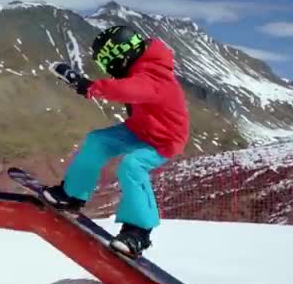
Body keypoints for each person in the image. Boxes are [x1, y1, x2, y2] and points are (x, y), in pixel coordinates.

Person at [45, 25, 190, 257]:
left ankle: (138, 232)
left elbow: (130, 90)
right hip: (139, 130)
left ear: (121, 57)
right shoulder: (143, 67)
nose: (108, 69)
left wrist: (90, 87)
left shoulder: (155, 76)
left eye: (107, 63)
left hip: (164, 141)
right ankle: (72, 195)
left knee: (132, 166)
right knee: (97, 142)